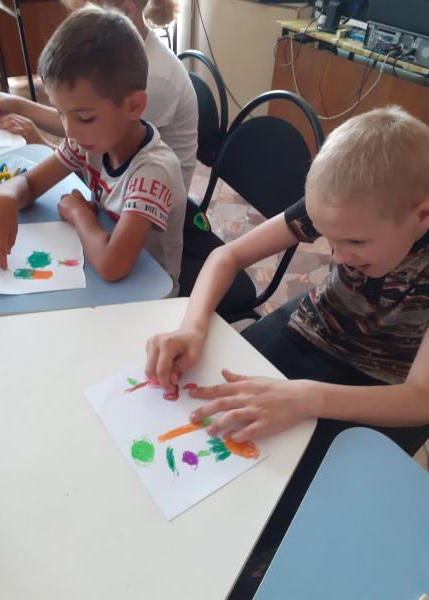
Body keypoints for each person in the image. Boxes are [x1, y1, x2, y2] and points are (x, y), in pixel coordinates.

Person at [145, 106, 429, 569]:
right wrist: (191, 326)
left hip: (381, 387)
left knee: (272, 521)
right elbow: (227, 257)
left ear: (422, 214)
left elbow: (420, 399)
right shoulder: (347, 207)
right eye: (329, 239)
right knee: (195, 432)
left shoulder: (374, 204)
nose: (338, 255)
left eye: (355, 244)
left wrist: (306, 398)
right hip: (312, 329)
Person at [0, 6, 186, 293]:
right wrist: (5, 195)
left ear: (134, 106)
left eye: (85, 118)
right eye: (61, 114)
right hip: (98, 265)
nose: (69, 131)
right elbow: (31, 184)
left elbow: (113, 266)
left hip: (150, 295)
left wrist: (79, 214)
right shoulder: (90, 141)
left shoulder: (153, 171)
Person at [0, 0, 198, 192]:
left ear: (125, 11)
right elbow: (85, 124)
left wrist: (44, 145)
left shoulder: (152, 81)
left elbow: (104, 164)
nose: (70, 132)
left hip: (139, 198)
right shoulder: (120, 66)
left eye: (89, 11)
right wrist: (14, 104)